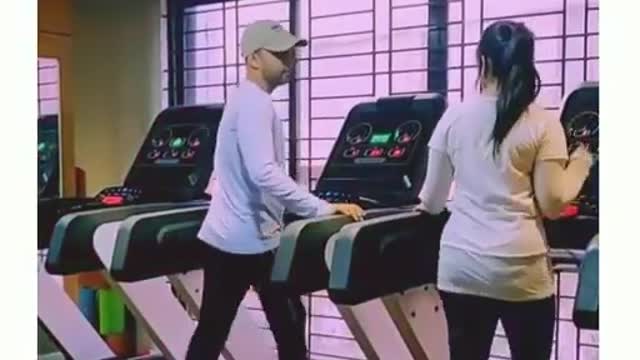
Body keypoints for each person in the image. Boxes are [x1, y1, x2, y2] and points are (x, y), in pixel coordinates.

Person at [186, 20, 365, 360]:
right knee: (286, 323)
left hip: (235, 237)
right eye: (280, 54)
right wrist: (322, 208)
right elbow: (264, 172)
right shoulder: (255, 103)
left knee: (216, 328)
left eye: (290, 53)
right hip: (247, 241)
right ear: (254, 58)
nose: (289, 61)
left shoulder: (243, 100)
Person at [416, 21, 594, 360]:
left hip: (461, 266)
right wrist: (582, 163)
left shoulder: (453, 118)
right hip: (519, 269)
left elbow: (433, 200)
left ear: (482, 62)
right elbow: (553, 202)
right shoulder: (542, 122)